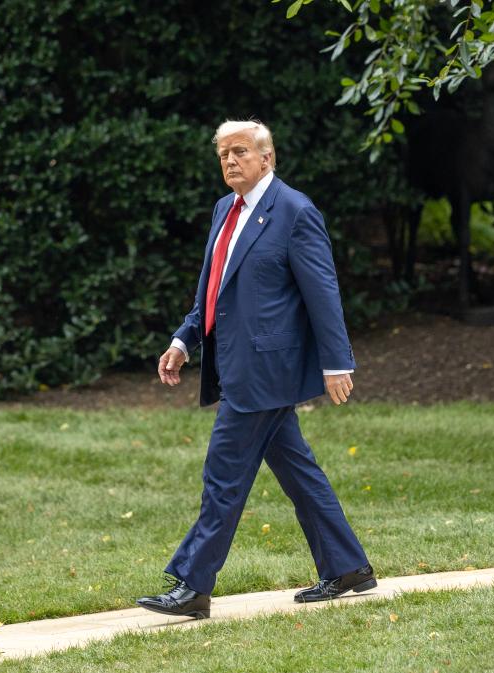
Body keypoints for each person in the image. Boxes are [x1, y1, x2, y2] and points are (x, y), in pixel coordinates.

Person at [135, 120, 375, 620]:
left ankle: (193, 586)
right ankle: (348, 566)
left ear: (267, 158)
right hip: (236, 364)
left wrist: (337, 362)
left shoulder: (295, 211)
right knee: (297, 470)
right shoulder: (225, 209)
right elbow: (212, 288)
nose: (230, 160)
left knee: (223, 475)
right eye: (223, 153)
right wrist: (183, 339)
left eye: (240, 151)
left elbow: (323, 292)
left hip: (266, 370)